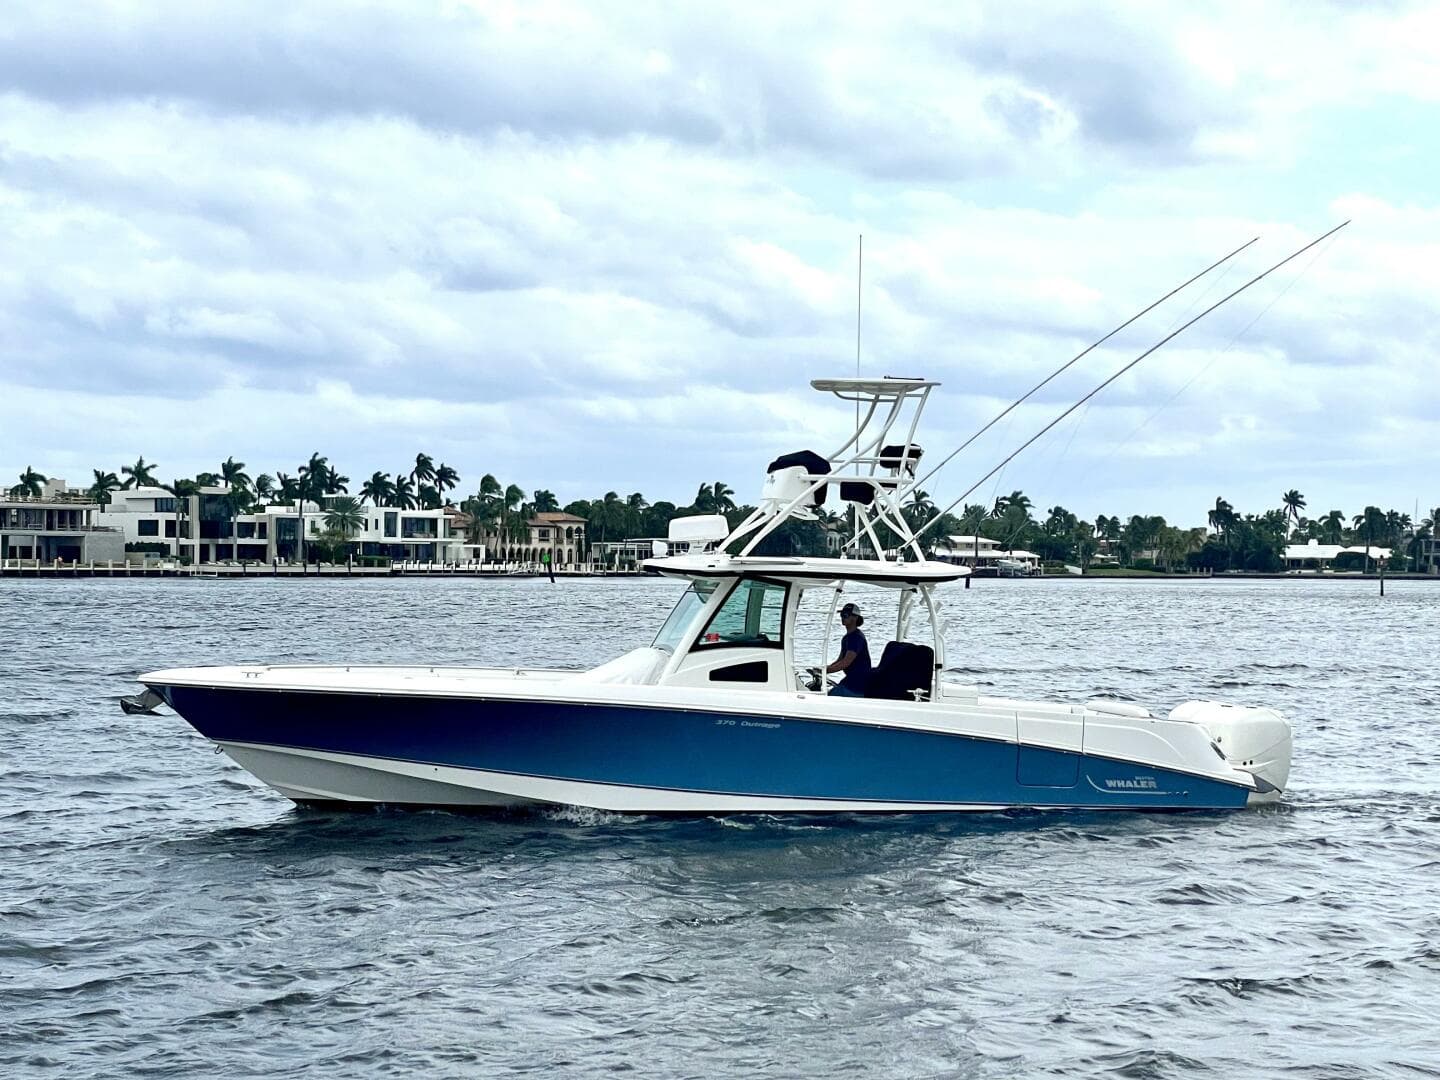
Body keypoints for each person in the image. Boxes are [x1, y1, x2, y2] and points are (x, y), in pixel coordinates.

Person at [826, 602, 872, 697]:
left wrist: (827, 671)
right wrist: (824, 669)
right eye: (842, 615)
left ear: (855, 618)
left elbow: (846, 662)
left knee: (830, 696)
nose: (843, 617)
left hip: (857, 685)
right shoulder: (847, 638)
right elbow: (840, 660)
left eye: (846, 615)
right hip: (851, 681)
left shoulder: (856, 638)